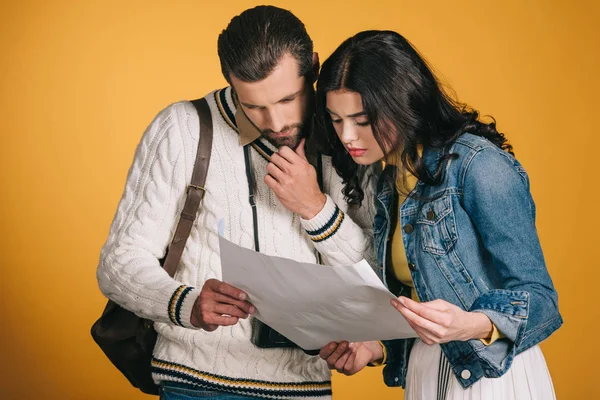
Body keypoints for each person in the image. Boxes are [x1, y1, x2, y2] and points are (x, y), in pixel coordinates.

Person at [96, 7, 375, 400]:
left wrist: (316, 209)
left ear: (312, 67)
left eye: (287, 99)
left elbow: (376, 273)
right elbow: (118, 263)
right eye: (254, 106)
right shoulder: (183, 127)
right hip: (196, 383)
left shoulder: (349, 135)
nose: (275, 122)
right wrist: (186, 304)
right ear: (229, 80)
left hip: (306, 387)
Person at [314, 30, 562, 399]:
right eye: (337, 119)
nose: (348, 135)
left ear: (402, 102)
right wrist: (375, 348)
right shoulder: (389, 181)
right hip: (426, 372)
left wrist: (470, 324)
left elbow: (541, 300)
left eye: (362, 120)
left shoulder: (477, 166)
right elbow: (420, 303)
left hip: (492, 377)